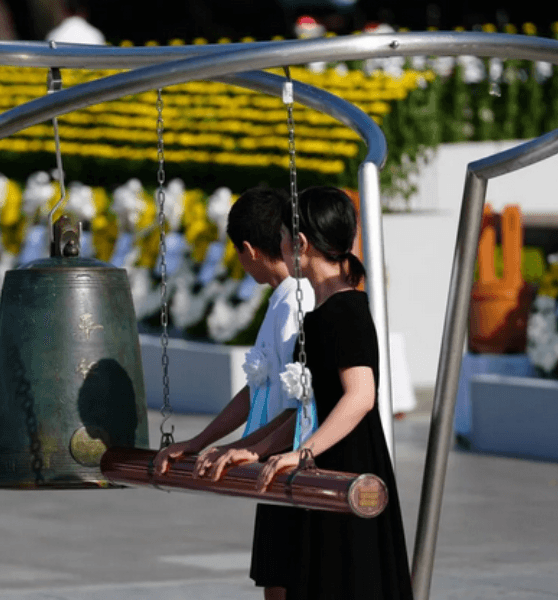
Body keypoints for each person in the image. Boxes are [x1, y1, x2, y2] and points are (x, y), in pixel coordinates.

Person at [202, 185, 413, 599]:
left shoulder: (346, 310)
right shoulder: (322, 312)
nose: (278, 247)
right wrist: (255, 448)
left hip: (346, 465)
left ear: (300, 243)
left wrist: (303, 452)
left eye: (282, 238)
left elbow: (360, 395)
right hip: (321, 464)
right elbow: (307, 406)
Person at [153, 187, 316, 598]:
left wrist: (246, 448)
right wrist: (200, 442)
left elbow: (305, 405)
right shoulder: (279, 300)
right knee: (275, 582)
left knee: (294, 583)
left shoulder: (299, 301)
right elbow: (255, 388)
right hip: (269, 462)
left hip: (293, 464)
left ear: (248, 250)